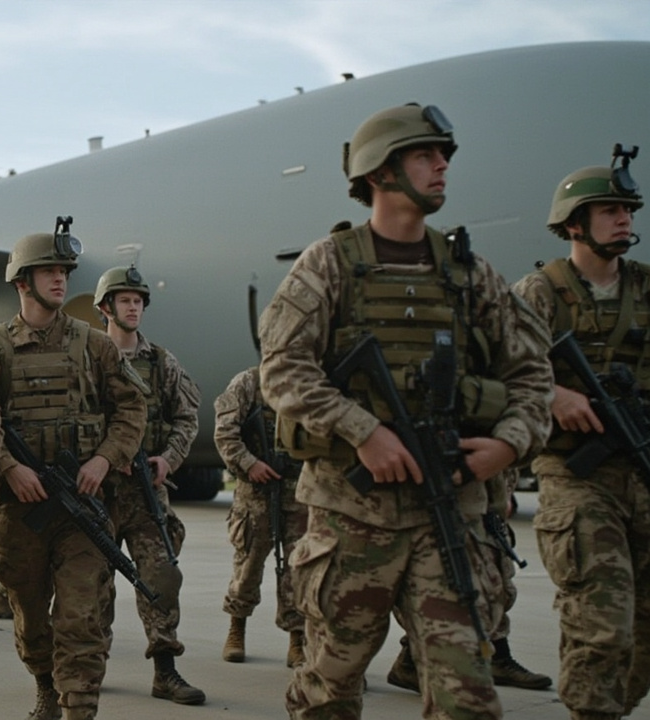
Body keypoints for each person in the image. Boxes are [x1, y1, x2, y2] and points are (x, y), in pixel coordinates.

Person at [259, 103, 554, 719]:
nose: (442, 164)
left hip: (450, 513)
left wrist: (509, 444)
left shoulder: (471, 275)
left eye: (442, 154)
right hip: (349, 519)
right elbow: (282, 370)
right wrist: (362, 432)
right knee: (327, 694)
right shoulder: (329, 264)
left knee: (468, 699)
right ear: (379, 172)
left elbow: (533, 376)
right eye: (424, 154)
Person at [0, 218, 146, 720]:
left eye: (64, 272)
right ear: (21, 282)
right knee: (30, 616)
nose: (60, 280)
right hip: (21, 511)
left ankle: (79, 706)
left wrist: (105, 458)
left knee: (80, 616)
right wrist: (7, 467)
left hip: (83, 508)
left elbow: (133, 409)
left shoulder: (96, 345)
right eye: (47, 271)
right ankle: (45, 685)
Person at [511, 154, 650, 720]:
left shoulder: (645, 287)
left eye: (627, 210)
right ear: (574, 223)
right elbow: (499, 373)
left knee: (642, 638)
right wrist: (554, 395)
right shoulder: (538, 293)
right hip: (577, 477)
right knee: (601, 625)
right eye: (609, 210)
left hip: (642, 466)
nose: (623, 219)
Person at [92, 265, 205, 705]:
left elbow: (186, 417)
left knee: (161, 576)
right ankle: (89, 664)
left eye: (138, 301)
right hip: (98, 492)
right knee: (93, 583)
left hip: (146, 493)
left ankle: (166, 669)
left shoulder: (162, 362)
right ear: (106, 308)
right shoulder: (88, 357)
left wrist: (168, 459)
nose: (134, 306)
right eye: (125, 300)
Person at [386, 468, 552, 693]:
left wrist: (499, 495)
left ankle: (495, 655)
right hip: (420, 486)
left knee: (489, 580)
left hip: (482, 485)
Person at [212, 366, 308, 668]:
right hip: (255, 493)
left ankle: (298, 640)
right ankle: (236, 629)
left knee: (299, 571)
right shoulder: (247, 382)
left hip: (299, 493)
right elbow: (225, 432)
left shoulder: (310, 382)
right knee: (247, 568)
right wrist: (249, 464)